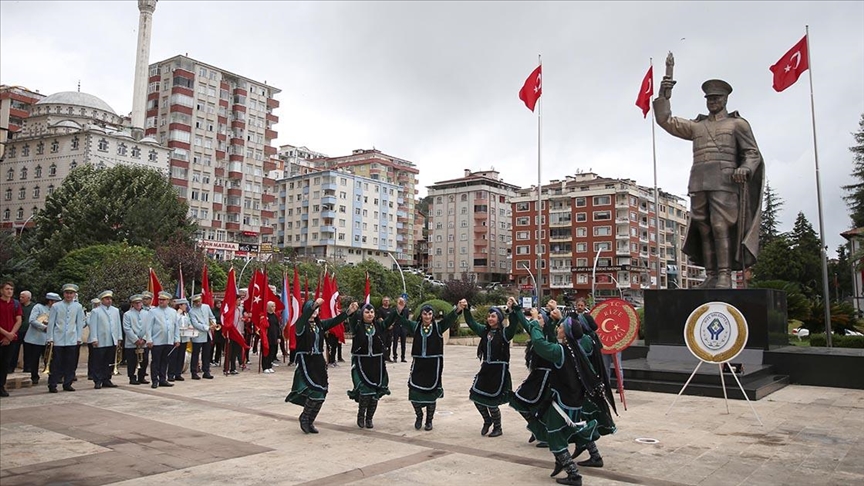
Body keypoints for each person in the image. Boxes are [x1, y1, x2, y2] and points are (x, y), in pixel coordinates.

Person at [654, 77, 764, 288]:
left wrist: (746, 168)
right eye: (709, 98)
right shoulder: (697, 126)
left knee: (720, 225)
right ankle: (711, 274)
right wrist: (664, 95)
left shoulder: (737, 124)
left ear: (725, 99)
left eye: (716, 98)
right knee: (704, 228)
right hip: (698, 181)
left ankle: (724, 274)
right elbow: (665, 120)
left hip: (725, 181)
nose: (712, 101)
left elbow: (752, 153)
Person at [515, 306, 605, 486]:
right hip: (572, 402)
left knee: (555, 437)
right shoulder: (575, 349)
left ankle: (573, 474)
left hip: (563, 404)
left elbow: (540, 345)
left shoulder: (561, 351)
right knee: (555, 432)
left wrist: (534, 323)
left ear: (567, 333)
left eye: (561, 327)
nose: (558, 328)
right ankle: (564, 462)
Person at [389, 297, 462, 431]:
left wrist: (458, 309)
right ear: (421, 315)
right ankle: (419, 415)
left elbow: (450, 319)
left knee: (431, 393)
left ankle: (429, 420)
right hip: (419, 364)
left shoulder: (439, 327)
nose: (427, 316)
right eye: (424, 314)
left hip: (433, 365)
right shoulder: (415, 326)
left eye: (429, 314)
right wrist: (399, 309)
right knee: (414, 391)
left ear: (433, 315)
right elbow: (401, 321)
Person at [286, 298, 357, 434]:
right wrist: (314, 305)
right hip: (306, 360)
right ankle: (305, 418)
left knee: (322, 391)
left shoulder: (320, 325)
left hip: (318, 360)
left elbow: (335, 321)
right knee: (314, 390)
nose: (314, 311)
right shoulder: (300, 324)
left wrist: (348, 312)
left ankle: (310, 420)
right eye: (311, 308)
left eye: (316, 309)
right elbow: (305, 316)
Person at [569, 299, 617, 467]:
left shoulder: (585, 341)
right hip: (585, 386)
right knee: (578, 420)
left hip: (585, 388)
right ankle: (585, 448)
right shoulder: (590, 338)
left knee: (580, 419)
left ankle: (593, 455)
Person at [463, 299, 518, 438]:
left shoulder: (505, 333)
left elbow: (514, 324)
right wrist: (466, 309)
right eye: (488, 316)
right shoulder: (485, 331)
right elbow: (471, 323)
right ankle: (487, 421)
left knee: (492, 402)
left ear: (499, 318)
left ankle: (498, 427)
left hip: (499, 371)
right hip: (486, 369)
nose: (490, 318)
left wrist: (512, 310)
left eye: (493, 316)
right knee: (476, 396)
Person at [347, 303, 391, 429]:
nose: (370, 314)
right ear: (362, 314)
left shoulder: (379, 326)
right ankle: (361, 416)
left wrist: (398, 310)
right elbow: (352, 320)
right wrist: (351, 312)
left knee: (375, 393)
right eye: (367, 312)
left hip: (377, 363)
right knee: (365, 391)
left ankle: (369, 418)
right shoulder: (357, 326)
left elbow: (390, 320)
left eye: (371, 312)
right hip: (361, 362)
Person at [46, 284, 86, 393]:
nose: (69, 295)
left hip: (72, 338)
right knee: (56, 363)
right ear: (63, 294)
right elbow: (51, 323)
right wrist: (50, 337)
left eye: (71, 293)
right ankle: (53, 383)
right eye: (67, 293)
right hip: (58, 338)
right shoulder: (56, 306)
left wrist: (79, 337)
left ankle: (68, 383)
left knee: (70, 363)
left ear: (74, 295)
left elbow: (79, 323)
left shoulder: (78, 307)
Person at [87, 290, 123, 389]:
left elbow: (118, 325)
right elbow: (93, 326)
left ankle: (107, 379)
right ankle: (97, 380)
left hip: (112, 339)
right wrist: (94, 338)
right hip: (101, 340)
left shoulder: (115, 310)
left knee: (109, 361)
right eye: (107, 299)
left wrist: (119, 337)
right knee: (98, 361)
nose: (109, 300)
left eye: (110, 299)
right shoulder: (96, 311)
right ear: (102, 300)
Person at [24, 292, 61, 386]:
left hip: (48, 339)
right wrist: (44, 327)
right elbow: (32, 320)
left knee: (49, 359)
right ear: (50, 301)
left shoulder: (55, 309)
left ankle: (52, 377)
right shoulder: (38, 307)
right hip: (35, 338)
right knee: (34, 359)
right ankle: (34, 377)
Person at [144, 291, 180, 389]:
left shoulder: (173, 312)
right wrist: (149, 339)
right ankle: (155, 380)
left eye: (163, 300)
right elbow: (148, 327)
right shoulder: (153, 311)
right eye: (160, 299)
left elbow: (176, 326)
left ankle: (163, 379)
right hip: (157, 340)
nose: (161, 301)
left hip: (168, 340)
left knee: (165, 360)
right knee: (156, 361)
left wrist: (177, 339)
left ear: (168, 301)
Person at [0, 281, 24, 397]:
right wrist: (6, 334)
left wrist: (11, 334)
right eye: (7, 289)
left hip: (11, 339)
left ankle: (1, 386)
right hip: (1, 337)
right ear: (1, 290)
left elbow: (18, 320)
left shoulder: (16, 304)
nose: (9, 291)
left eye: (11, 289)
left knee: (6, 363)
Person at [122, 294, 150, 385]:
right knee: (132, 361)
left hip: (143, 342)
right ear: (132, 304)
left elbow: (149, 327)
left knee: (144, 360)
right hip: (132, 342)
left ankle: (141, 377)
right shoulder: (127, 314)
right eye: (136, 303)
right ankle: (132, 377)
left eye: (140, 302)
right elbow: (127, 328)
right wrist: (135, 340)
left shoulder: (147, 313)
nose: (138, 304)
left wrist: (144, 339)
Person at [188, 294, 215, 380]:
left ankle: (206, 371)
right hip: (198, 334)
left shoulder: (206, 307)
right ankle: (194, 371)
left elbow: (211, 316)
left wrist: (213, 323)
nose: (198, 303)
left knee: (206, 353)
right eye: (196, 302)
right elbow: (195, 324)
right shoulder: (192, 311)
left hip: (207, 334)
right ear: (194, 303)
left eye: (199, 301)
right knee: (195, 354)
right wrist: (207, 327)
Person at [8, 290, 34, 373]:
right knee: (14, 349)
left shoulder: (34, 306)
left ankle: (27, 367)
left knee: (28, 350)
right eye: (20, 296)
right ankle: (11, 367)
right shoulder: (17, 305)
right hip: (18, 330)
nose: (21, 298)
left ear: (28, 298)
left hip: (29, 330)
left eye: (23, 297)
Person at [260, 301, 280, 374]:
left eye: (274, 306)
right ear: (268, 307)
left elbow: (278, 327)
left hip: (274, 337)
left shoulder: (275, 316)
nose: (274, 308)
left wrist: (278, 337)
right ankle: (265, 367)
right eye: (272, 306)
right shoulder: (264, 316)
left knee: (272, 352)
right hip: (267, 337)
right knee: (266, 352)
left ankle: (269, 365)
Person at [377, 296, 395, 362]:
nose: (386, 302)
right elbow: (380, 319)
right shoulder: (380, 310)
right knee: (383, 343)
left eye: (387, 300)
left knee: (389, 344)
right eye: (385, 300)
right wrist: (386, 325)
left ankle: (388, 357)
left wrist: (391, 325)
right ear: (382, 301)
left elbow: (394, 319)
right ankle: (383, 357)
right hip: (383, 330)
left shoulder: (391, 310)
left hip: (390, 330)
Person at [210, 298, 224, 366]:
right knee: (212, 345)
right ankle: (210, 360)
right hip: (214, 330)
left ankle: (217, 359)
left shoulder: (222, 311)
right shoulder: (212, 310)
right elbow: (211, 319)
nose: (219, 305)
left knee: (219, 345)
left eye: (220, 303)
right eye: (218, 303)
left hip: (220, 330)